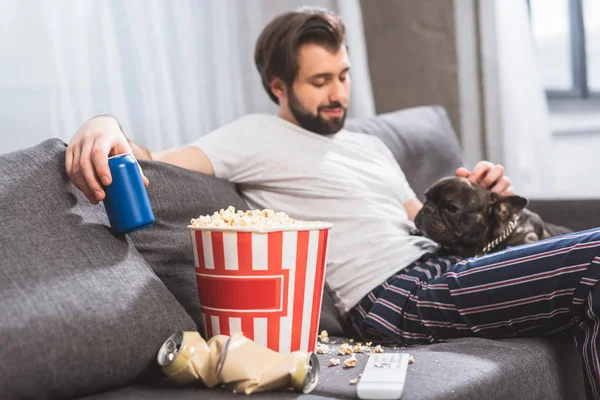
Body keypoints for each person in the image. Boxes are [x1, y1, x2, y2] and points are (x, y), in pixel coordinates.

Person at [66, 8, 600, 398]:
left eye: (343, 76)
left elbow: (418, 218)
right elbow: (151, 158)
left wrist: (488, 204)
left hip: (450, 265)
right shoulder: (251, 137)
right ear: (279, 86)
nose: (338, 93)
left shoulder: (369, 146)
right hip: (398, 295)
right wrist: (104, 124)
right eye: (320, 81)